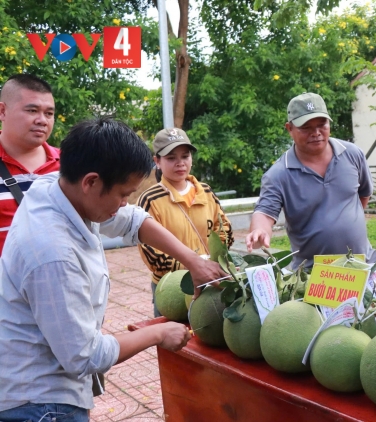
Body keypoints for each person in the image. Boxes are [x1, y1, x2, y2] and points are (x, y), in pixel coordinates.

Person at [0, 117, 226, 421]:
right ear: (91, 181)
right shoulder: (52, 254)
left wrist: (194, 261)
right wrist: (158, 334)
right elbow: (85, 355)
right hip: (40, 405)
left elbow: (132, 220)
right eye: (122, 194)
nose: (124, 203)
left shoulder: (57, 187)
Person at [245, 92, 376, 268]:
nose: (316, 133)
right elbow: (264, 213)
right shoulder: (278, 174)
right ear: (289, 128)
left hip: (364, 264)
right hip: (314, 275)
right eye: (306, 128)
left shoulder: (352, 154)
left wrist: (345, 222)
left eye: (322, 125)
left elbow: (363, 195)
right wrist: (259, 230)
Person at [138, 128, 233, 317]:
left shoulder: (206, 192)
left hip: (209, 282)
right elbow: (152, 254)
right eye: (171, 158)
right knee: (171, 340)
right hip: (171, 288)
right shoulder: (150, 199)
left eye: (185, 156)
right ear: (157, 161)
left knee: (207, 335)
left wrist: (210, 264)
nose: (180, 163)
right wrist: (194, 266)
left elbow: (225, 232)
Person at [0, 74, 61, 254]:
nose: (42, 120)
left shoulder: (70, 165)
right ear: (2, 111)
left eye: (49, 113)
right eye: (32, 110)